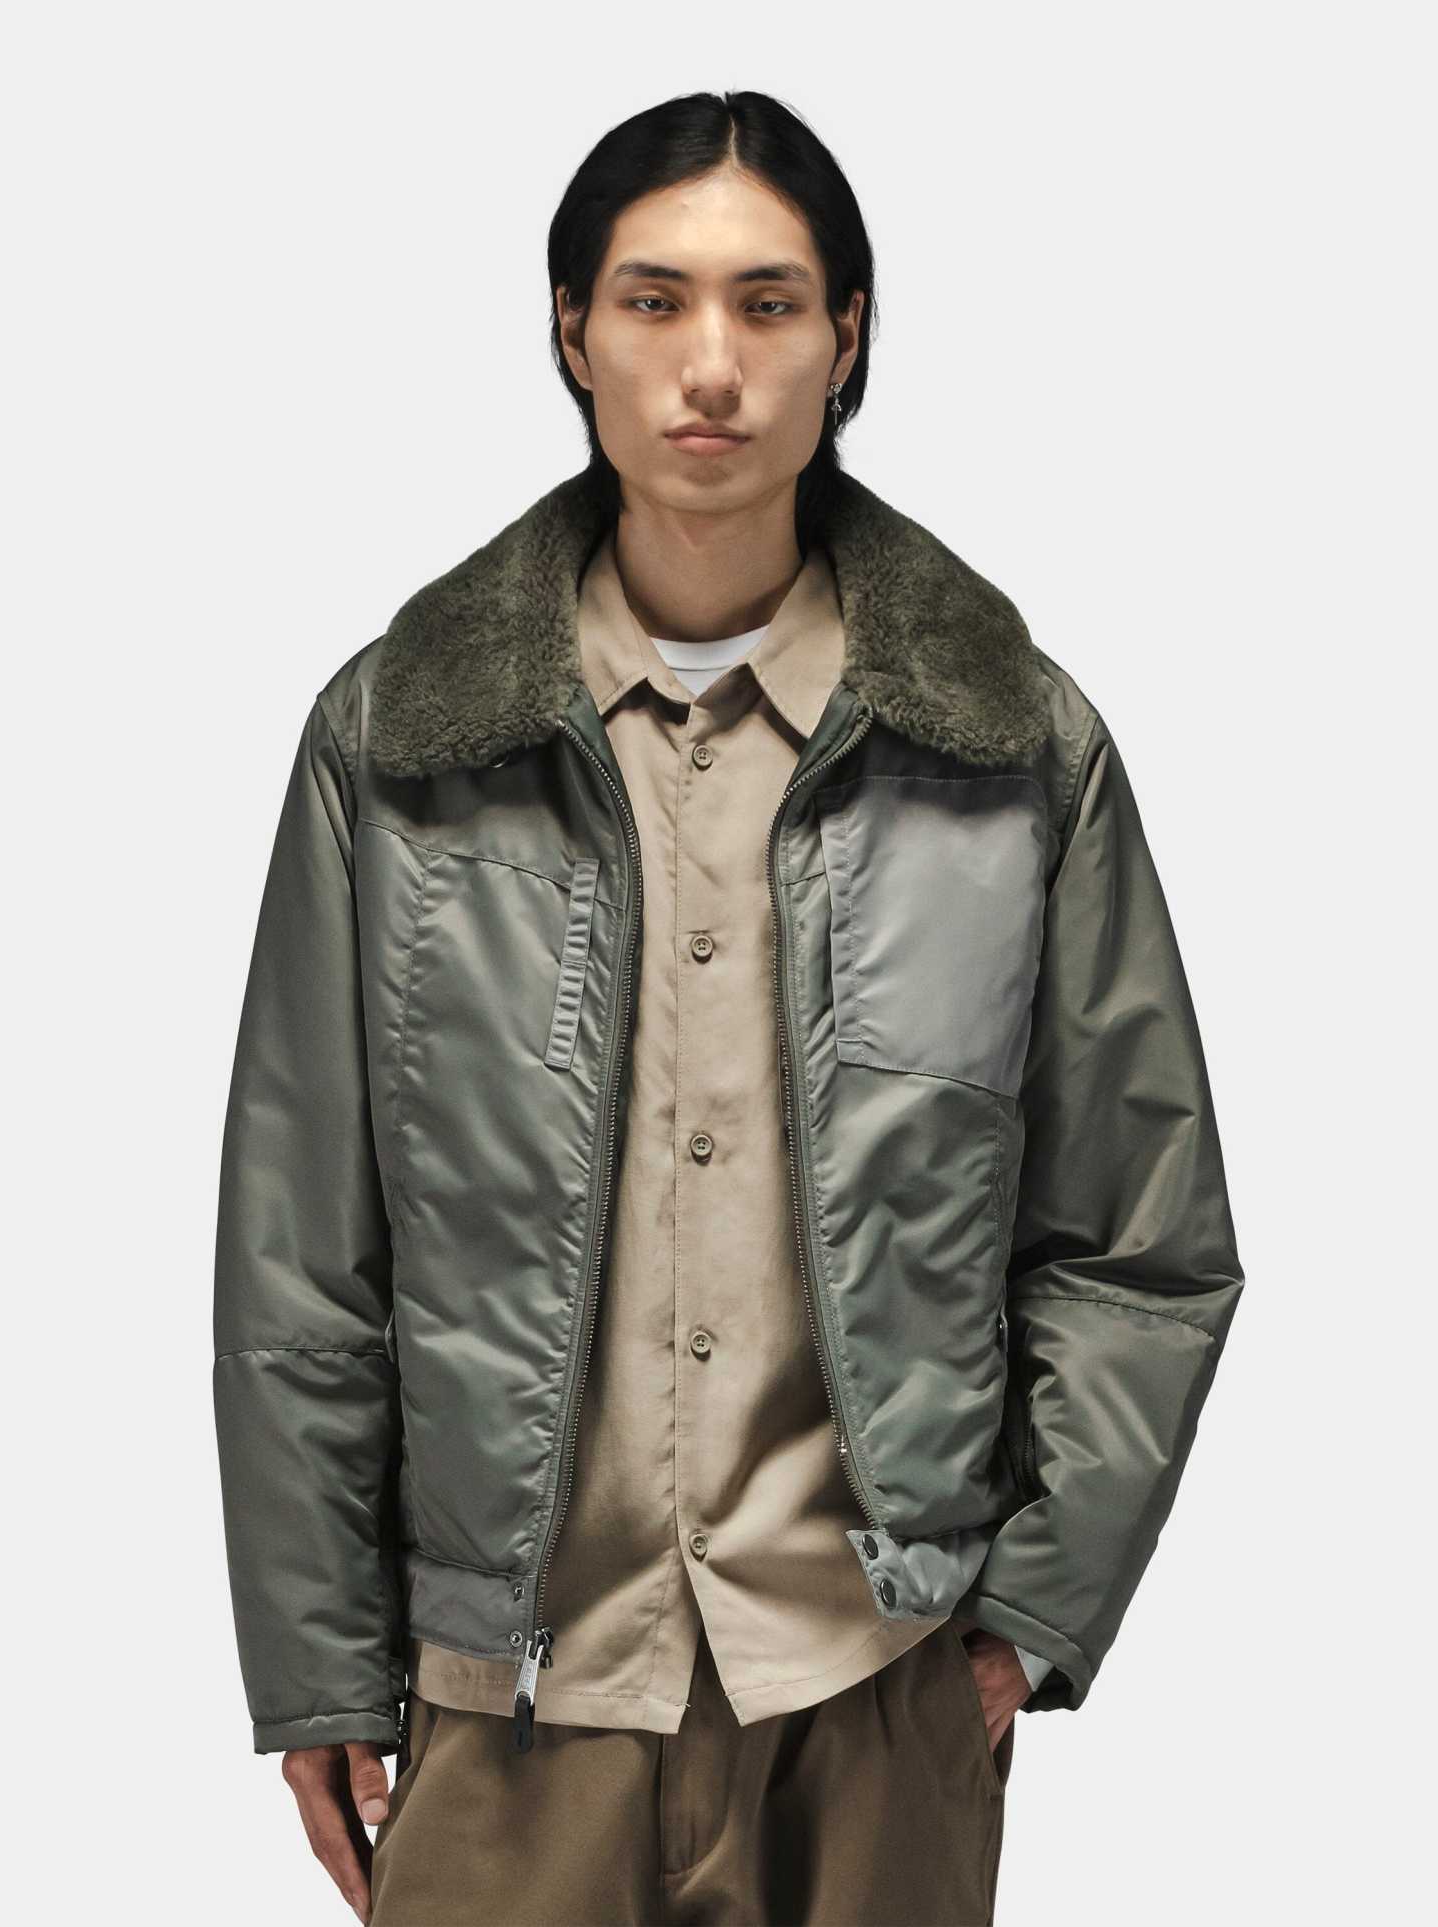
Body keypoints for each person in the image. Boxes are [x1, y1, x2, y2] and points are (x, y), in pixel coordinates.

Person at [212, 90, 1245, 1927]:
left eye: (768, 303)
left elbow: (1138, 1245)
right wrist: (316, 1664)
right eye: (653, 300)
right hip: (512, 1695)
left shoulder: (1010, 746)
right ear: (570, 332)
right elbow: (302, 1254)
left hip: (873, 1689)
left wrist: (1021, 1621)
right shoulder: (399, 744)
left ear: (846, 338)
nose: (710, 365)